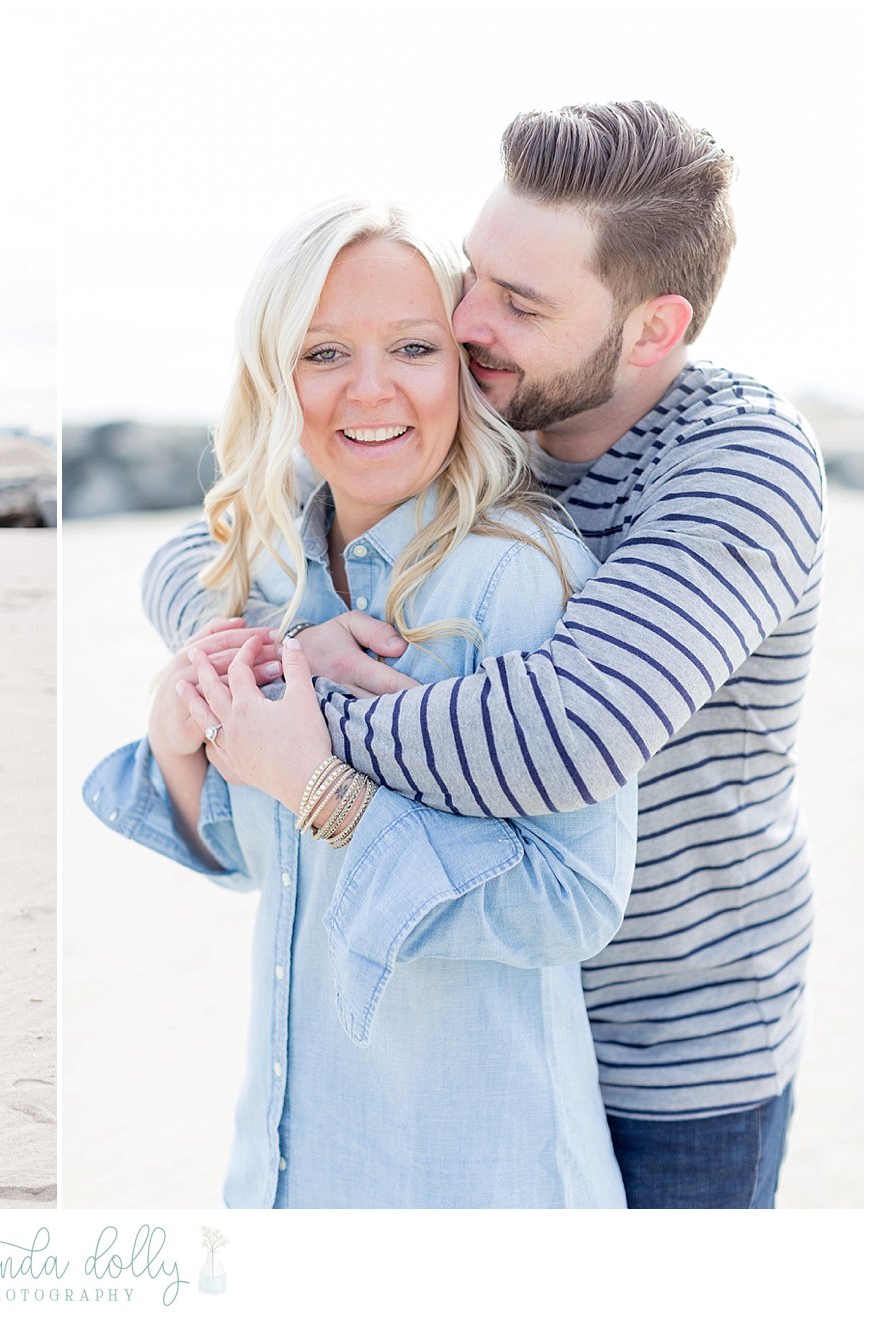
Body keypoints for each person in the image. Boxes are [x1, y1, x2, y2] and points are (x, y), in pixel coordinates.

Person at [142, 101, 824, 1208]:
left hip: (675, 1038)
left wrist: (282, 715)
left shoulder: (735, 463)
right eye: (473, 274)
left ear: (651, 330)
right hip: (490, 1015)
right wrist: (259, 657)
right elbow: (201, 546)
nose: (464, 321)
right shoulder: (485, 415)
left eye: (518, 301)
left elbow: (560, 734)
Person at [87, 198, 638, 1208]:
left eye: (413, 346)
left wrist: (324, 787)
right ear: (273, 375)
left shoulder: (514, 580)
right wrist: (179, 748)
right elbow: (265, 871)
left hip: (478, 1183)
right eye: (323, 350)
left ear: (463, 370)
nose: (370, 388)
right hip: (291, 1171)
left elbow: (574, 901)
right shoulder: (275, 576)